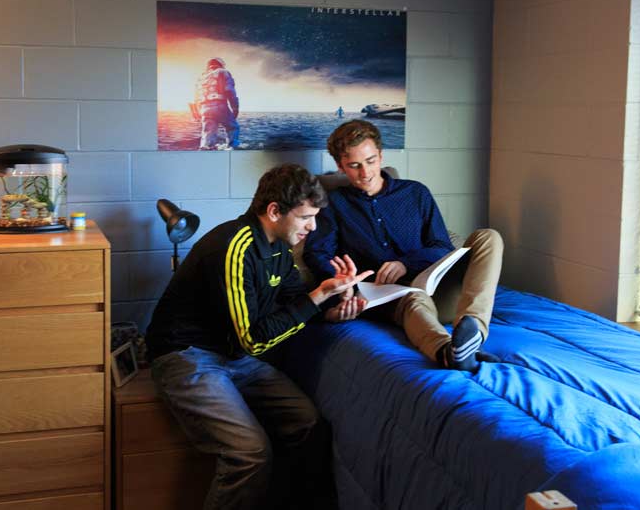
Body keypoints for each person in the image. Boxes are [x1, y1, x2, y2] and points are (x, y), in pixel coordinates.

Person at [145, 164, 372, 510]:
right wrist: (315, 300)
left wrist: (333, 302)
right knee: (249, 453)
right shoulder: (234, 247)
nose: (312, 227)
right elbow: (254, 340)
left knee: (308, 424)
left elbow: (295, 304)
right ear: (274, 211)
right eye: (305, 217)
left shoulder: (280, 247)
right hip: (187, 355)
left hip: (233, 355)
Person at [304, 119, 504, 371]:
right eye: (354, 166)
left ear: (380, 155)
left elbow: (441, 245)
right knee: (413, 298)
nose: (365, 173)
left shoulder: (416, 193)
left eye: (370, 161)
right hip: (391, 298)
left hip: (443, 293)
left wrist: (404, 263)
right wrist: (344, 286)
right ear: (340, 165)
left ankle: (473, 331)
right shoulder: (333, 204)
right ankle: (448, 352)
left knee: (489, 236)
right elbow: (317, 254)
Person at [194, 57, 240, 150]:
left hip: (204, 108)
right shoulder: (223, 72)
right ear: (221, 64)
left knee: (208, 133)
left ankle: (206, 148)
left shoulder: (202, 77)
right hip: (219, 105)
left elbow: (196, 97)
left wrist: (198, 112)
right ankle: (232, 149)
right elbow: (230, 91)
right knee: (232, 127)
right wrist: (235, 108)